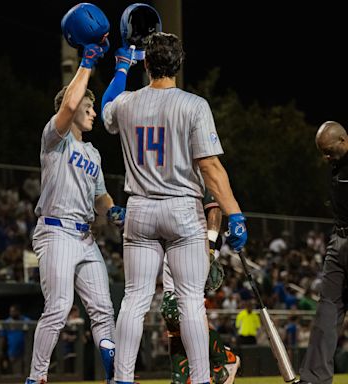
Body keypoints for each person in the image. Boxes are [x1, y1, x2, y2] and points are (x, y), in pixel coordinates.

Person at [101, 32, 248, 384]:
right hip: (183, 209)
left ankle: (122, 378)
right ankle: (199, 379)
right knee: (190, 301)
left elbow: (106, 108)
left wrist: (122, 67)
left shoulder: (127, 103)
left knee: (134, 299)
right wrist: (235, 213)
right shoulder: (194, 105)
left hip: (139, 207)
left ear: (147, 64)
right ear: (179, 65)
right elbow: (210, 168)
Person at [24, 37, 123, 384]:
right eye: (89, 107)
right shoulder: (55, 138)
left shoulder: (94, 153)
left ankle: (115, 375)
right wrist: (88, 62)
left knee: (103, 310)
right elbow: (66, 109)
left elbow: (101, 196)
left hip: (84, 236)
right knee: (58, 308)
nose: (94, 112)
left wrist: (113, 211)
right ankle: (36, 378)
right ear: (75, 105)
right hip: (55, 231)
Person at [160, 190, 240, 384]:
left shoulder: (200, 170)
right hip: (174, 242)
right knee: (171, 313)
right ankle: (180, 374)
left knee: (181, 309)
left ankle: (222, 361)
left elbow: (214, 210)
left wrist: (210, 247)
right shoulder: (166, 175)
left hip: (199, 244)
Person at [298, 121, 348, 384]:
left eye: (329, 150)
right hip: (338, 239)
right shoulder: (335, 165)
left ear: (343, 141)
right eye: (322, 152)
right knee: (327, 308)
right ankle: (315, 378)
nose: (325, 157)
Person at [2, 305, 30, 374]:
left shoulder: (26, 321)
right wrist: (4, 355)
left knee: (27, 373)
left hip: (26, 352)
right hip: (12, 352)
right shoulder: (7, 322)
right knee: (16, 375)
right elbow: (3, 339)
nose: (12, 313)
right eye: (11, 311)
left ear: (18, 311)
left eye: (14, 311)